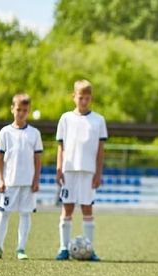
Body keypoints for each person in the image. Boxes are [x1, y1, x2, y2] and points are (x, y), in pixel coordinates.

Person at [55, 80, 107, 261]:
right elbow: (60, 145)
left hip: (88, 171)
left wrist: (98, 172)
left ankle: (90, 249)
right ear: (74, 97)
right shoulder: (65, 118)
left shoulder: (98, 120)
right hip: (69, 170)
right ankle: (63, 248)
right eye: (80, 97)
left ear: (91, 98)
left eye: (87, 98)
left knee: (87, 208)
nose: (83, 101)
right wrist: (59, 167)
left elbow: (101, 149)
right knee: (67, 207)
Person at [0, 94, 43, 260]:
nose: (21, 113)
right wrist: (0, 179)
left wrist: (36, 180)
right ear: (12, 109)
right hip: (9, 182)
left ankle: (21, 248)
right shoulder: (5, 132)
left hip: (28, 182)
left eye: (25, 110)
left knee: (25, 214)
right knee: (3, 213)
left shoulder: (34, 133)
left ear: (28, 112)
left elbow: (38, 158)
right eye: (18, 109)